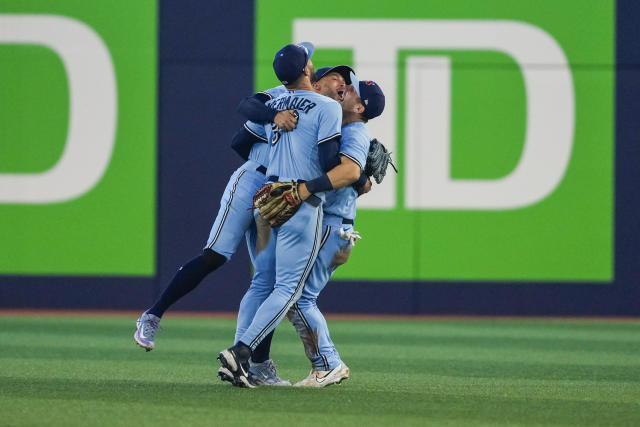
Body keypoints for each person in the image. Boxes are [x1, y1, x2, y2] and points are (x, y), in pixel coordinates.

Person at [217, 42, 364, 388]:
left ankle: (246, 366)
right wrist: (353, 179)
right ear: (307, 71)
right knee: (289, 288)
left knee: (261, 282)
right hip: (298, 203)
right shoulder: (327, 106)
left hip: (267, 200)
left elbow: (240, 137)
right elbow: (330, 163)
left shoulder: (275, 104)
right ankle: (240, 354)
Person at [132, 87, 297, 351]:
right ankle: (153, 314)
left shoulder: (325, 112)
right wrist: (264, 155)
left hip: (278, 193)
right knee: (215, 256)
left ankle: (257, 362)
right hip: (253, 181)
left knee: (268, 279)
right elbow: (243, 126)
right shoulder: (286, 98)